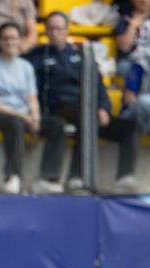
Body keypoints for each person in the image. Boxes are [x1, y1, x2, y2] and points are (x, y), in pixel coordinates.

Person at [25, 11, 141, 194]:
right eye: (51, 29)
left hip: (88, 110)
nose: (55, 33)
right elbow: (30, 90)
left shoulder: (82, 54)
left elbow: (98, 84)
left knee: (129, 127)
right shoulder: (37, 56)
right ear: (45, 31)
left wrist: (103, 107)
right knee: (84, 118)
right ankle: (74, 177)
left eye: (59, 29)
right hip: (57, 109)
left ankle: (125, 177)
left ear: (67, 30)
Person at [0, 22, 39, 194]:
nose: (9, 42)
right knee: (15, 124)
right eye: (5, 38)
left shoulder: (26, 67)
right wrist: (24, 116)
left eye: (13, 38)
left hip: (24, 114)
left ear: (20, 40)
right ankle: (12, 176)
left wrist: (36, 116)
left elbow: (32, 97)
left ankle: (48, 178)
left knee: (56, 125)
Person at [116, 0, 149, 79]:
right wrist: (132, 27)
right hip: (131, 60)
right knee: (135, 71)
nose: (143, 1)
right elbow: (124, 48)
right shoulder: (126, 18)